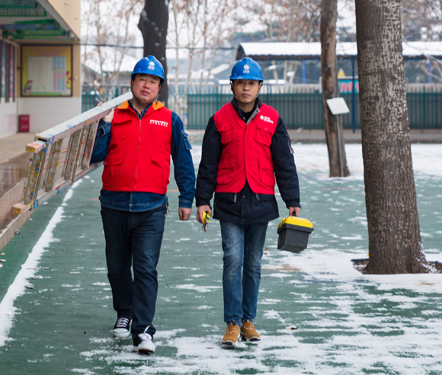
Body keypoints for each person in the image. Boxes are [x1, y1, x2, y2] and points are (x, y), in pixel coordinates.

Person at [90, 56, 196, 354]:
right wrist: (104, 126)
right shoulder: (113, 116)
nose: (147, 85)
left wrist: (187, 198)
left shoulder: (170, 120)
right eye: (141, 79)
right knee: (117, 266)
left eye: (153, 81)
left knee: (146, 268)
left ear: (159, 87)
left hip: (151, 208)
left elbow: (183, 161)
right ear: (132, 83)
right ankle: (124, 313)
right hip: (113, 204)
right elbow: (95, 155)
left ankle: (144, 329)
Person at [195, 57, 301, 348]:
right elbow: (208, 165)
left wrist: (292, 200)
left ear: (259, 87)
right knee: (233, 261)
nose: (245, 88)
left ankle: (247, 321)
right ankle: (231, 323)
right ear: (232, 85)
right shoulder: (218, 121)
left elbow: (284, 163)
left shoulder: (272, 119)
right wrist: (202, 200)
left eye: (251, 83)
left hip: (261, 201)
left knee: (253, 264)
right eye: (240, 83)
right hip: (228, 203)